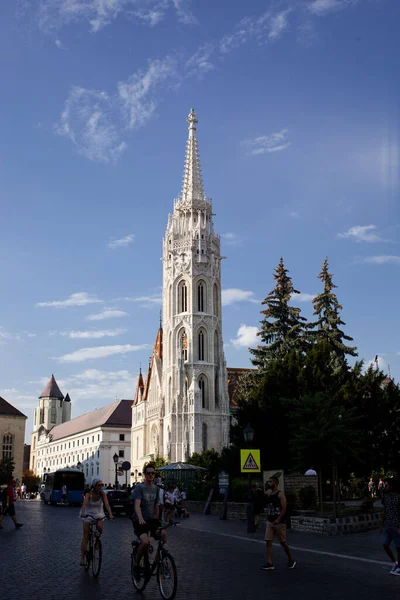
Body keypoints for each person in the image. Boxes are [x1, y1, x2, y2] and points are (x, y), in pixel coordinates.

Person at [132, 463, 167, 578]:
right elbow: (137, 505)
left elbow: (156, 505)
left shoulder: (156, 489)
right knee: (145, 542)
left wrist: (157, 520)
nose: (151, 475)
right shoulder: (139, 488)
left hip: (152, 519)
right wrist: (141, 518)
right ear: (144, 475)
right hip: (139, 520)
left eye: (153, 473)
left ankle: (159, 558)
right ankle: (136, 565)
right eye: (148, 473)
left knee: (163, 534)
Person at [262, 476, 296, 571]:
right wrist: (268, 519)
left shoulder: (280, 494)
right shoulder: (269, 495)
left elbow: (284, 508)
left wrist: (278, 519)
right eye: (268, 482)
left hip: (279, 523)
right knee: (268, 542)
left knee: (282, 542)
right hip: (270, 522)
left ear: (275, 483)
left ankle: (291, 559)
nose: (268, 483)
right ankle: (270, 563)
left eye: (270, 482)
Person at [80, 478, 114, 566]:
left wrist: (110, 514)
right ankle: (82, 558)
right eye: (99, 485)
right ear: (94, 486)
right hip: (88, 514)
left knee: (100, 528)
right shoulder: (89, 494)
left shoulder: (102, 494)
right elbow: (84, 505)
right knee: (86, 536)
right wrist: (83, 513)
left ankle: (97, 542)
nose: (100, 487)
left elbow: (107, 504)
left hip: (99, 514)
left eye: (101, 485)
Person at [380, 478, 400, 575]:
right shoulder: (385, 497)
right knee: (385, 544)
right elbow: (384, 510)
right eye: (384, 485)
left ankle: (399, 567)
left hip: (396, 525)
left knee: (398, 547)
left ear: (391, 486)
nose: (385, 487)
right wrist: (381, 524)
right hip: (387, 525)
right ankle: (395, 562)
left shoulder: (398, 497)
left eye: (386, 485)